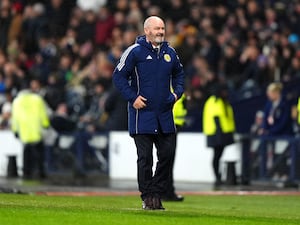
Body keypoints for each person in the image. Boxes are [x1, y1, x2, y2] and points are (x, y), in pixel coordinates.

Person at [113, 16, 185, 210]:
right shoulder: (134, 52)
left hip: (164, 115)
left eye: (162, 28)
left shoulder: (170, 52)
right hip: (142, 115)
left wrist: (176, 94)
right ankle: (148, 197)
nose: (161, 32)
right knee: (145, 158)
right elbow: (118, 76)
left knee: (168, 155)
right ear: (147, 31)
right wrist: (132, 98)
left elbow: (180, 74)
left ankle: (155, 190)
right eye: (157, 29)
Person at [11, 83, 50, 179]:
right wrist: (46, 125)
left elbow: (15, 118)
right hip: (36, 130)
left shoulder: (16, 101)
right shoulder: (37, 99)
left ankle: (26, 173)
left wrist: (15, 130)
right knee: (39, 154)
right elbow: (43, 114)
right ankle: (41, 173)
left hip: (24, 132)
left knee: (26, 153)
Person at [202, 84, 235, 187]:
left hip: (221, 132)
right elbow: (216, 118)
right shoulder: (215, 101)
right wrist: (220, 135)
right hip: (216, 133)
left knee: (218, 155)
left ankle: (218, 177)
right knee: (217, 156)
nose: (226, 93)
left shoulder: (221, 101)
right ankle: (217, 177)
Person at [161, 93, 187, 201]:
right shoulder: (170, 88)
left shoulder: (172, 88)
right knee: (166, 160)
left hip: (172, 126)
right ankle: (164, 192)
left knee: (168, 160)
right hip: (168, 126)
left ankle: (168, 191)